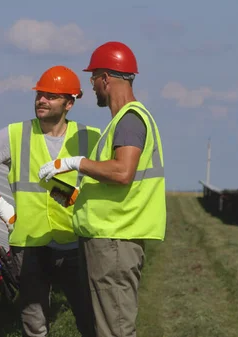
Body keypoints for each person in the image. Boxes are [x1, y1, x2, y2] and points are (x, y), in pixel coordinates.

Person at [0, 65, 101, 337]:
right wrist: (3, 209)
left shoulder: (91, 137)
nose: (42, 100)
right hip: (29, 245)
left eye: (51, 96)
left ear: (69, 103)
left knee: (91, 322)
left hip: (76, 242)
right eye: (39, 94)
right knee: (34, 327)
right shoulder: (14, 134)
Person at [38, 41, 167, 337]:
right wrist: (61, 191)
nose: (92, 86)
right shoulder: (120, 123)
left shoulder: (129, 121)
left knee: (115, 330)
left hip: (115, 243)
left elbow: (122, 172)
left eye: (93, 78)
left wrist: (76, 162)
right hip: (108, 239)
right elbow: (104, 192)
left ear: (106, 78)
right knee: (105, 328)